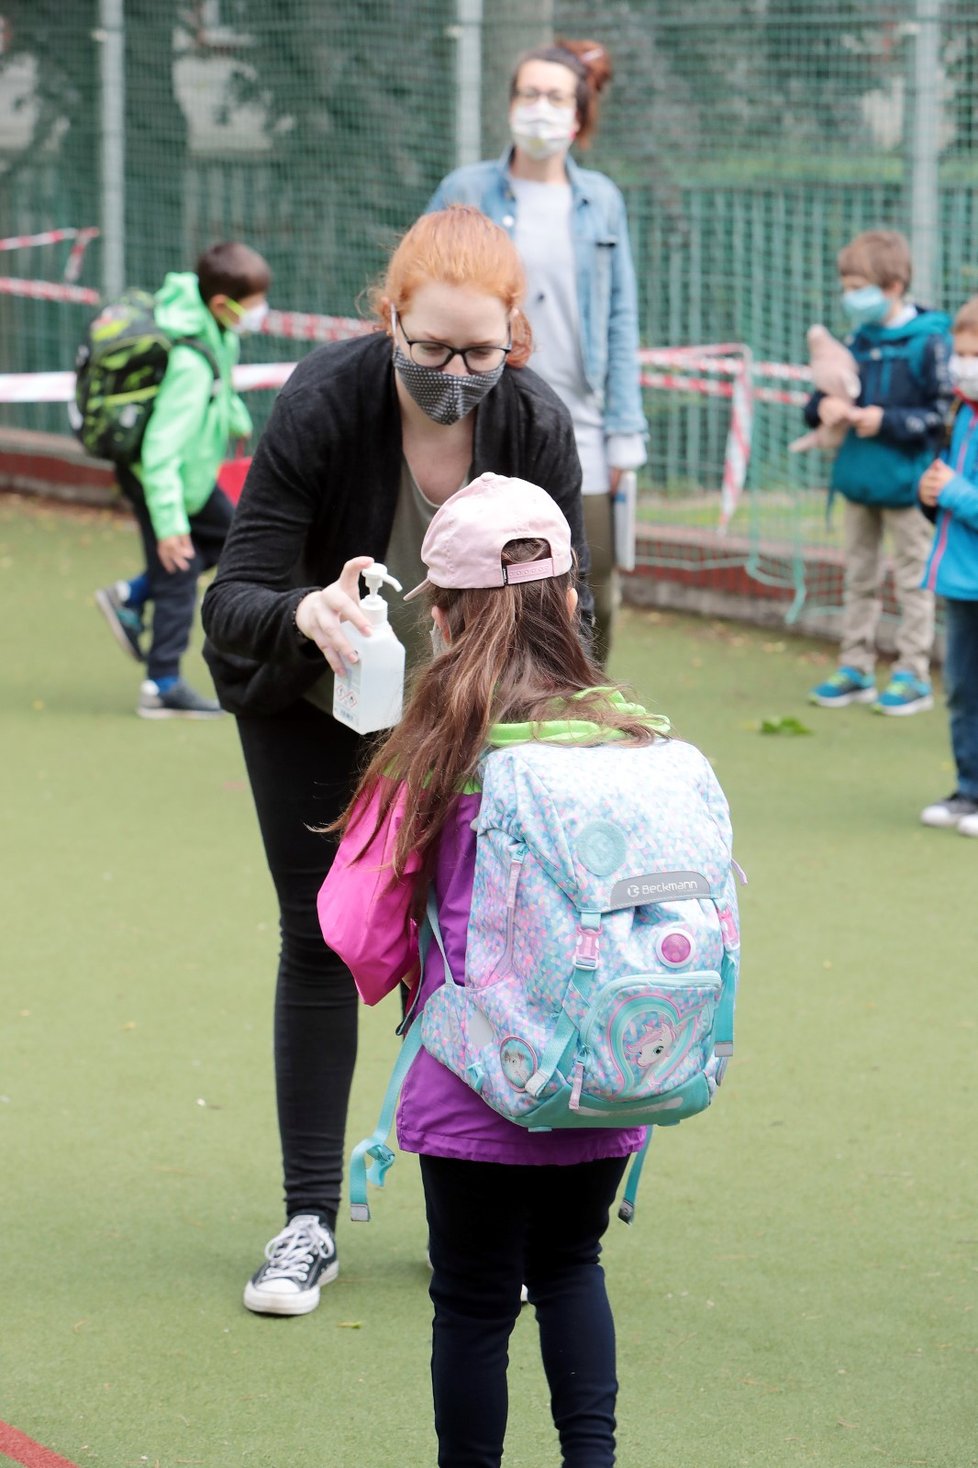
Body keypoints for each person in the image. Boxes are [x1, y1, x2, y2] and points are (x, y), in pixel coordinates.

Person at [200, 206, 591, 1316]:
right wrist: (309, 612)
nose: (456, 373)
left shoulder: (535, 421)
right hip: (312, 704)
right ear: (390, 324)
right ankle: (308, 1224)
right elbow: (232, 600)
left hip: (473, 717)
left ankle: (470, 1230)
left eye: (481, 352)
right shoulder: (325, 402)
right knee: (321, 934)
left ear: (514, 334)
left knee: (473, 952)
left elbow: (576, 604)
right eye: (430, 350)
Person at [317, 473, 661, 1468]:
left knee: (472, 1300)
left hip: (477, 1075)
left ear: (450, 612)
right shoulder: (630, 730)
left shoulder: (437, 750)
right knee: (571, 1266)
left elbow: (355, 928)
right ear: (566, 596)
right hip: (605, 1067)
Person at [427, 38, 646, 666]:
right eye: (529, 94)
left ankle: (581, 705)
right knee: (472, 577)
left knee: (587, 579)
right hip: (483, 406)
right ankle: (458, 708)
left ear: (578, 114)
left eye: (556, 96)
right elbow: (423, 284)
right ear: (510, 105)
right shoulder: (465, 188)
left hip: (584, 419)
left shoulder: (600, 199)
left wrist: (627, 431)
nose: (541, 108)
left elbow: (620, 317)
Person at [94, 241, 270, 718]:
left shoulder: (214, 331)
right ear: (222, 304)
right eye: (254, 306)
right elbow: (159, 450)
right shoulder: (188, 362)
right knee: (179, 570)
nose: (260, 314)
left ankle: (129, 594)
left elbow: (220, 387)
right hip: (163, 483)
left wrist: (231, 416)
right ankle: (162, 685)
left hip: (192, 479)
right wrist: (171, 526)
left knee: (234, 543)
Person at [804, 229, 952, 715]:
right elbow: (823, 395)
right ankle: (856, 667)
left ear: (892, 286)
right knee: (859, 577)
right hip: (859, 481)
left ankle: (912, 672)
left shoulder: (929, 342)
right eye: (846, 284)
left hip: (909, 486)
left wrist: (883, 419)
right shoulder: (857, 340)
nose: (850, 295)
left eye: (858, 284)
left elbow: (940, 415)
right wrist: (823, 407)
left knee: (913, 580)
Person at [918, 295, 978, 837]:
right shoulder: (961, 413)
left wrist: (955, 492)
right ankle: (969, 791)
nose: (966, 366)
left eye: (975, 354)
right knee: (962, 687)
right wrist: (930, 496)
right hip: (963, 581)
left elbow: (964, 493)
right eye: (961, 353)